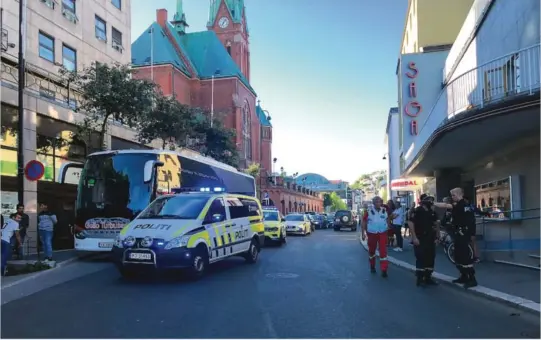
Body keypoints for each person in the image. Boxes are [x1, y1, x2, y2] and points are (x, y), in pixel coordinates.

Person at [434, 188, 478, 288]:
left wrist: (469, 233)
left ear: (459, 194)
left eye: (453, 195)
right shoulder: (457, 205)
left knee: (465, 257)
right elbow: (445, 205)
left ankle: (472, 278)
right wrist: (433, 203)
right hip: (457, 233)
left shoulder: (464, 205)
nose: (452, 197)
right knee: (457, 256)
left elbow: (471, 220)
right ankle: (463, 276)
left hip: (463, 234)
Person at [408, 194, 439, 286]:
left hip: (430, 238)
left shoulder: (432, 212)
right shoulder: (418, 211)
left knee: (430, 257)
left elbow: (436, 223)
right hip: (420, 237)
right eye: (429, 201)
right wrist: (414, 237)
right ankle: (420, 278)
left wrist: (437, 236)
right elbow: (410, 223)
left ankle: (428, 277)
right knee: (421, 257)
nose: (431, 203)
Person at [361, 196, 390, 277]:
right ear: (373, 203)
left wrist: (388, 226)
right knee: (372, 251)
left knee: (383, 251)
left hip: (382, 233)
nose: (378, 203)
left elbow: (387, 219)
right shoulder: (368, 211)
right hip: (372, 233)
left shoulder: (384, 210)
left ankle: (384, 270)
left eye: (379, 202)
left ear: (381, 202)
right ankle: (372, 266)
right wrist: (363, 233)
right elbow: (364, 222)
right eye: (376, 202)